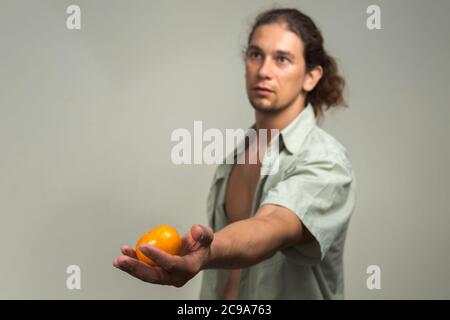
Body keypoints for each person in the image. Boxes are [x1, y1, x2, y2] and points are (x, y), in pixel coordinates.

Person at [113, 8, 356, 300]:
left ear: (311, 76)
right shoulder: (236, 156)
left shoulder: (325, 160)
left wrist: (207, 253)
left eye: (282, 59)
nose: (264, 70)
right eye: (256, 55)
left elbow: (271, 225)